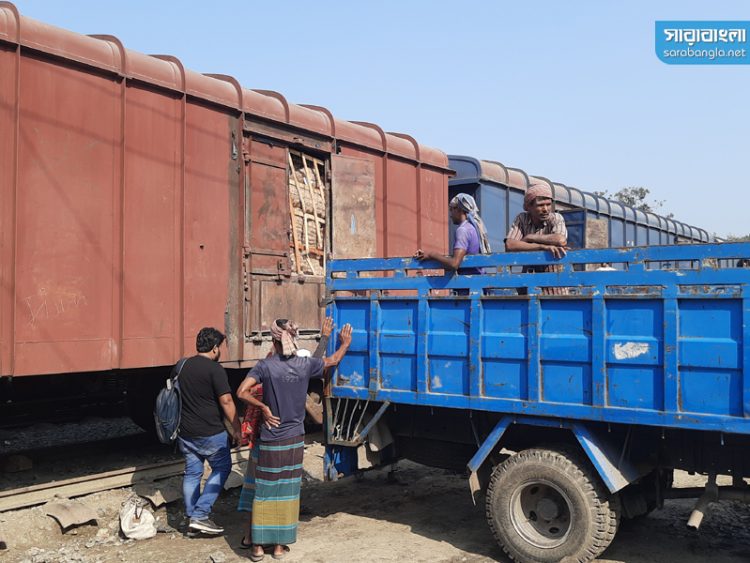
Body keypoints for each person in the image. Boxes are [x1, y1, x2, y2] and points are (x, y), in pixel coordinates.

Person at [237, 318, 352, 561]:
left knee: (265, 492)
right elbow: (332, 361)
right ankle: (279, 548)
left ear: (273, 340)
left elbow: (241, 392)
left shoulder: (265, 366)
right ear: (293, 338)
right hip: (293, 440)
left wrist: (263, 408)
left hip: (270, 439)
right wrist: (343, 343)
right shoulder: (303, 365)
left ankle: (257, 547)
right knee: (287, 494)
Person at [177, 327, 241, 536]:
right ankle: (201, 515)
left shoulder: (182, 365)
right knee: (222, 468)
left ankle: (191, 516)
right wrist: (236, 429)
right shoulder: (215, 370)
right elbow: (227, 401)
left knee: (193, 473)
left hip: (185, 432)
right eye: (220, 347)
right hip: (210, 432)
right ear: (214, 348)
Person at [414, 193, 491, 274]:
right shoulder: (473, 228)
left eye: (451, 209)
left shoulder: (463, 230)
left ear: (459, 210)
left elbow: (454, 263)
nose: (450, 214)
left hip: (468, 283)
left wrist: (431, 254)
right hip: (478, 280)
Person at [505, 184, 568, 258]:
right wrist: (541, 247)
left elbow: (560, 240)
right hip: (530, 267)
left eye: (548, 204)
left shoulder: (556, 218)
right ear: (529, 207)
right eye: (540, 205)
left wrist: (530, 237)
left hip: (554, 267)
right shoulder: (522, 218)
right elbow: (509, 245)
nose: (545, 209)